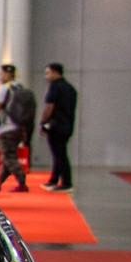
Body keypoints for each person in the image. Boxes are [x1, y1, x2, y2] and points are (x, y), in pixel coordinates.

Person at [0, 63, 33, 192]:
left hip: (7, 128)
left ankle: (22, 181)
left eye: (1, 73)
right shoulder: (19, 87)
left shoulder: (4, 88)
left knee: (8, 157)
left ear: (7, 74)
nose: (0, 76)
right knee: (8, 156)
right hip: (19, 128)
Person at [40, 61, 78, 192]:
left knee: (60, 155)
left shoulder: (55, 87)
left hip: (55, 126)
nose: (46, 76)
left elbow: (50, 106)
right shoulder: (70, 88)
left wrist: (43, 122)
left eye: (48, 73)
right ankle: (54, 179)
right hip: (67, 126)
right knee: (59, 153)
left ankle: (66, 182)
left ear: (56, 72)